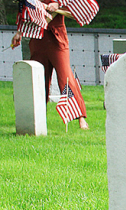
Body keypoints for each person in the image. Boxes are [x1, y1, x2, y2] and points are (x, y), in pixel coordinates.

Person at [11, 0, 88, 130]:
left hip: (57, 38)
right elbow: (25, 12)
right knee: (38, 80)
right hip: (37, 39)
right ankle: (37, 116)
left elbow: (67, 4)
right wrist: (19, 32)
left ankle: (80, 117)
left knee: (65, 76)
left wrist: (57, 4)